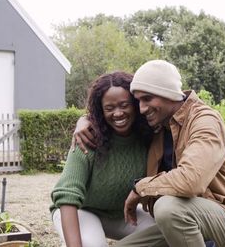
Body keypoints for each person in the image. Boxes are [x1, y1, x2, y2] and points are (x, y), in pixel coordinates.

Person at [115, 60, 225, 247]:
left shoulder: (204, 120)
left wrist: (140, 188)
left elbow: (191, 180)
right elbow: (112, 114)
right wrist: (84, 122)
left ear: (167, 93)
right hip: (185, 220)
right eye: (139, 101)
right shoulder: (158, 126)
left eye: (148, 98)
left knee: (167, 208)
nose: (142, 108)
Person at [49, 72, 155, 247]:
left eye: (124, 105)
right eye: (109, 108)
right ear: (100, 110)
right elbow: (67, 196)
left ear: (136, 105)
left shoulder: (148, 137)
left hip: (120, 214)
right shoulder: (87, 139)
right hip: (80, 211)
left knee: (165, 231)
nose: (118, 113)